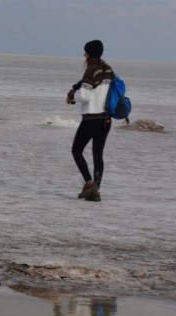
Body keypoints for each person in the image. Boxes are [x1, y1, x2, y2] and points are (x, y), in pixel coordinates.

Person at [66, 40, 114, 202]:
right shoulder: (108, 70)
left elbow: (85, 96)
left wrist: (73, 96)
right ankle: (95, 192)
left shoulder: (91, 70)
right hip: (105, 119)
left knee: (76, 150)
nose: (84, 55)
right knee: (97, 155)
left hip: (91, 118)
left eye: (86, 52)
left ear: (90, 54)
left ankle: (89, 183)